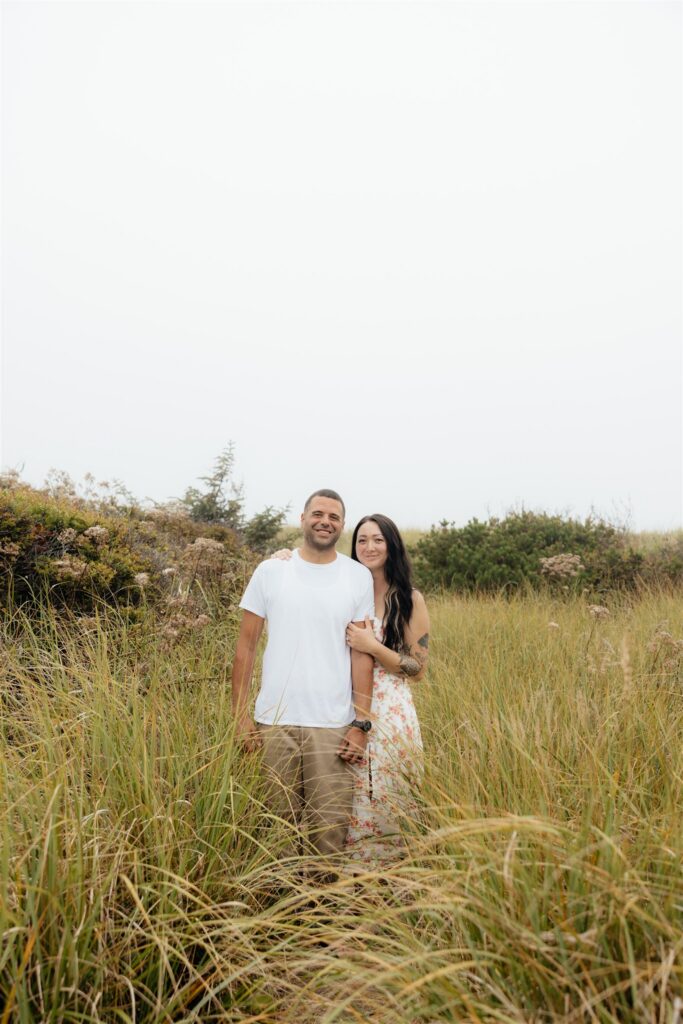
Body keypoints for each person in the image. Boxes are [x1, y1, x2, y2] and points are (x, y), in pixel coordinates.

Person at [231, 489, 375, 871]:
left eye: (334, 516)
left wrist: (361, 723)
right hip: (274, 722)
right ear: (303, 518)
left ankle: (322, 922)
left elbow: (361, 653)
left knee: (328, 833)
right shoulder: (271, 571)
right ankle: (276, 921)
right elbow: (246, 647)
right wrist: (240, 716)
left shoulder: (356, 576)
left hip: (332, 724)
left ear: (342, 525)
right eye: (318, 513)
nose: (325, 521)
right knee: (274, 830)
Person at [273, 513, 429, 865]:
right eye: (362, 540)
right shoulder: (340, 584)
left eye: (378, 540)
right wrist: (283, 558)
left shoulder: (408, 598)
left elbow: (417, 670)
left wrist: (371, 645)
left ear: (392, 545)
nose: (369, 547)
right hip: (342, 705)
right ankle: (348, 885)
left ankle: (391, 879)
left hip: (390, 713)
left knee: (388, 794)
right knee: (346, 796)